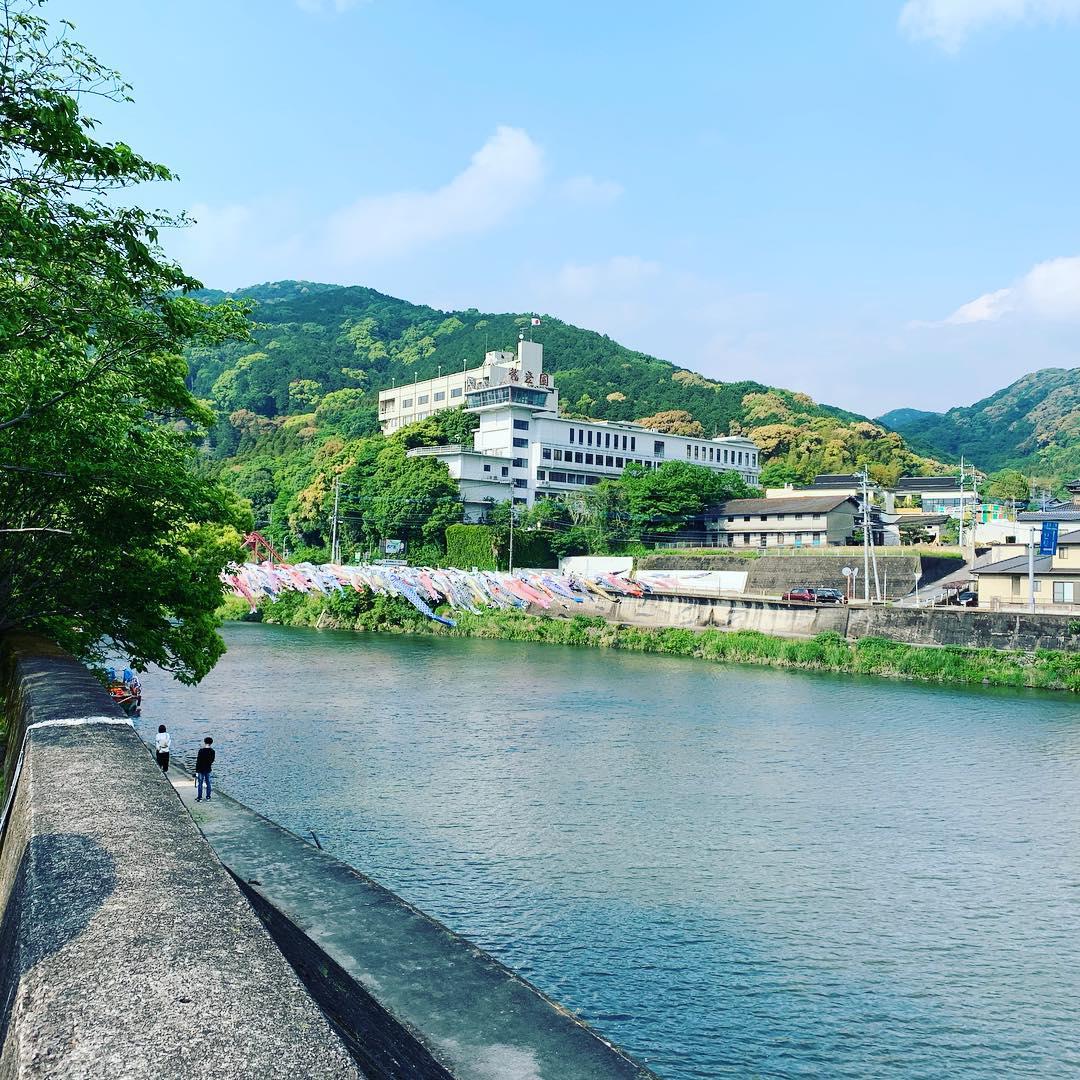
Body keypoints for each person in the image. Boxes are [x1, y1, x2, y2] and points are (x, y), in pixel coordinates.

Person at [195, 737, 215, 802]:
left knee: (200, 783)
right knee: (208, 783)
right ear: (211, 743)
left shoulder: (201, 751)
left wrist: (196, 770)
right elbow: (212, 760)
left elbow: (198, 761)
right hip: (208, 768)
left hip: (200, 769)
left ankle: (199, 797)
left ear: (204, 742)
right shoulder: (212, 751)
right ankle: (208, 797)